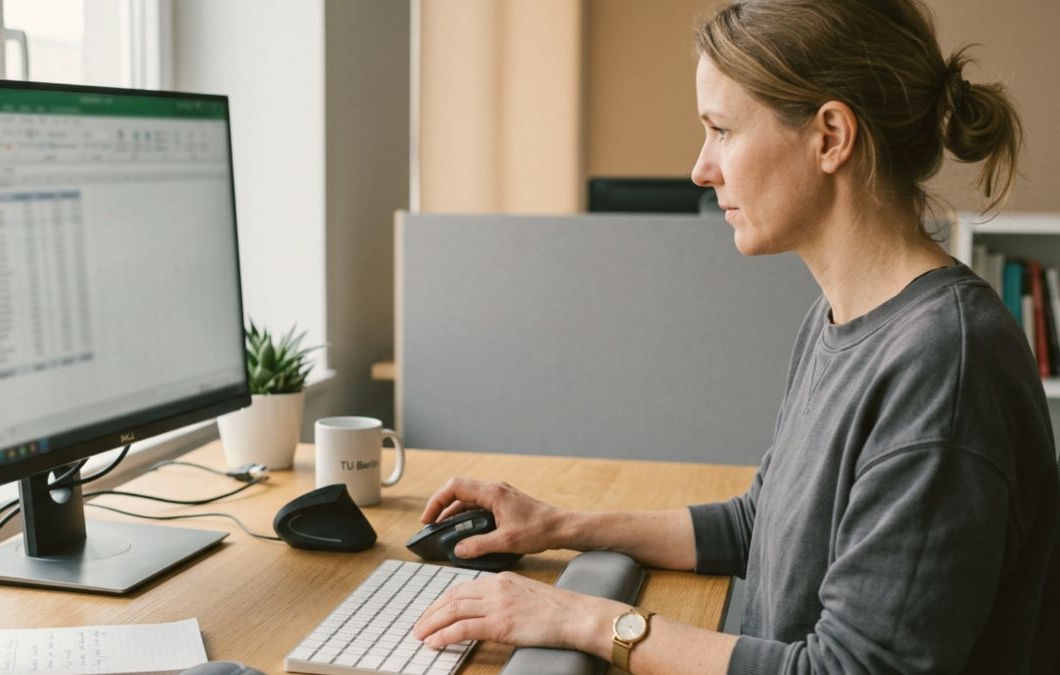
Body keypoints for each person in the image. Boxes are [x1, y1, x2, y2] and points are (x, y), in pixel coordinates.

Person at [410, 1, 1060, 673]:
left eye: (721, 129)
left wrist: (585, 617)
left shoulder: (945, 364)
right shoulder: (841, 319)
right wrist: (558, 525)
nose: (701, 167)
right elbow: (760, 524)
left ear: (831, 136)